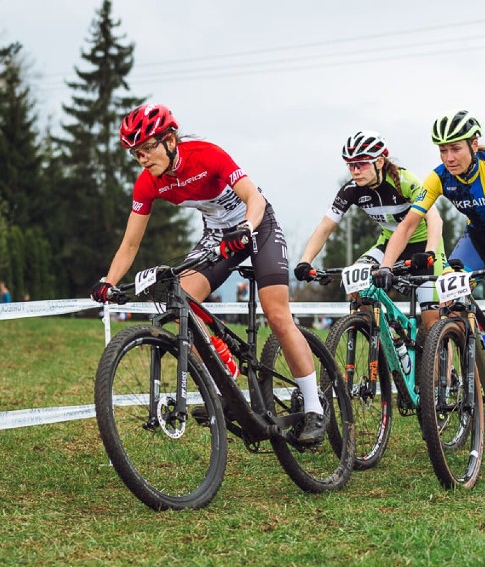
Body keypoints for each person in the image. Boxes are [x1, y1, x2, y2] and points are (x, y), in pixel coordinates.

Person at [89, 103, 326, 444]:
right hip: (216, 235)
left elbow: (253, 198)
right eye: (136, 153)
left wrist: (245, 228)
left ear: (170, 140)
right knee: (180, 299)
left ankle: (315, 407)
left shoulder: (206, 154)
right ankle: (224, 372)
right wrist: (108, 282)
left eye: (148, 148)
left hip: (256, 226)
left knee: (276, 313)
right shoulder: (147, 184)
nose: (142, 158)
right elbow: (129, 244)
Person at [371, 110, 485, 432]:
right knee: (448, 301)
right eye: (443, 150)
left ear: (473, 145)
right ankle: (483, 354)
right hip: (477, 240)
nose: (449, 157)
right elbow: (409, 224)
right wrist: (385, 265)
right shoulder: (438, 177)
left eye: (456, 149)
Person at [294, 130, 446, 331]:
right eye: (350, 165)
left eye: (362, 164)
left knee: (432, 323)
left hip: (423, 245)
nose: (355, 171)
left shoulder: (404, 180)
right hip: (388, 244)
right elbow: (325, 227)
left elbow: (434, 218)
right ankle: (388, 344)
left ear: (380, 162)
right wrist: (305, 261)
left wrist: (430, 252)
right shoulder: (352, 189)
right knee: (356, 283)